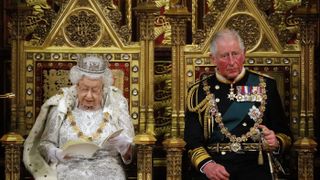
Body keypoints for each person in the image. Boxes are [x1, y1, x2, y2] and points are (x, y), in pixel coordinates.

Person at [184, 29, 292, 180]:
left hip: (256, 166)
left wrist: (276, 142)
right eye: (224, 56)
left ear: (244, 54)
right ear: (213, 59)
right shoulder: (198, 92)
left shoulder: (266, 85)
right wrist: (208, 165)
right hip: (216, 166)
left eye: (235, 54)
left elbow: (285, 134)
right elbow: (192, 140)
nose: (231, 62)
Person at [23, 55, 135, 180]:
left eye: (95, 90)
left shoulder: (117, 105)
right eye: (84, 89)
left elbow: (131, 154)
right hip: (68, 169)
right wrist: (56, 154)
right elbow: (45, 144)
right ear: (76, 86)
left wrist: (125, 146)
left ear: (103, 89)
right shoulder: (61, 105)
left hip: (108, 170)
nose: (89, 95)